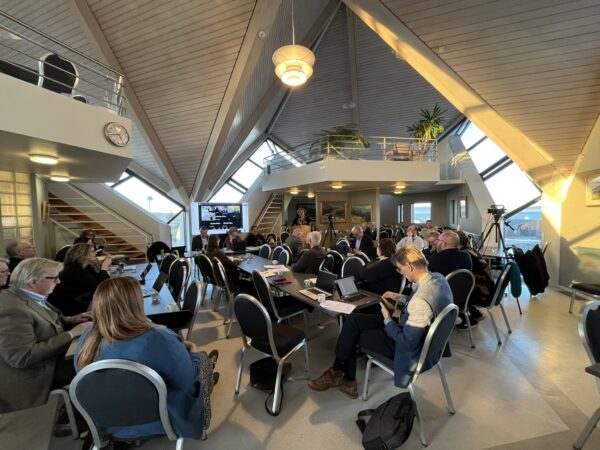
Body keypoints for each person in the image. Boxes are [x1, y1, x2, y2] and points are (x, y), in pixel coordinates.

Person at [75, 277, 217, 439]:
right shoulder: (159, 338)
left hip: (108, 422)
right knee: (201, 363)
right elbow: (187, 382)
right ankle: (208, 368)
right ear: (137, 304)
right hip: (161, 419)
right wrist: (193, 351)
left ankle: (208, 366)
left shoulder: (87, 337)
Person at [308, 246, 453, 398]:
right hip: (414, 331)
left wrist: (387, 318)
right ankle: (339, 373)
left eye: (400, 269)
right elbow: (425, 305)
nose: (400, 272)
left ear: (409, 267)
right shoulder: (438, 278)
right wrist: (400, 297)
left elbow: (406, 342)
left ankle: (343, 377)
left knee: (351, 333)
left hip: (407, 349)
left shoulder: (419, 302)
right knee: (353, 319)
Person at [0, 258, 92, 413]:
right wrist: (71, 334)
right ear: (33, 281)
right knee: (92, 365)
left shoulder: (26, 295)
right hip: (36, 373)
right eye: (54, 278)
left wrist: (70, 319)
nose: (59, 282)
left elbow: (42, 320)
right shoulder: (12, 310)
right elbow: (22, 357)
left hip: (51, 359)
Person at [47, 243, 112, 316]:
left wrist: (103, 268)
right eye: (93, 251)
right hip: (67, 309)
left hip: (77, 301)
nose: (95, 253)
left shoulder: (85, 267)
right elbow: (99, 288)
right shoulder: (74, 270)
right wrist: (104, 268)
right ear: (83, 255)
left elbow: (98, 280)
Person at [456, 231, 495, 329]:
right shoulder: (470, 250)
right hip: (489, 288)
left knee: (454, 291)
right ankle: (475, 313)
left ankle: (467, 320)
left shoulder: (464, 254)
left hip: (483, 294)